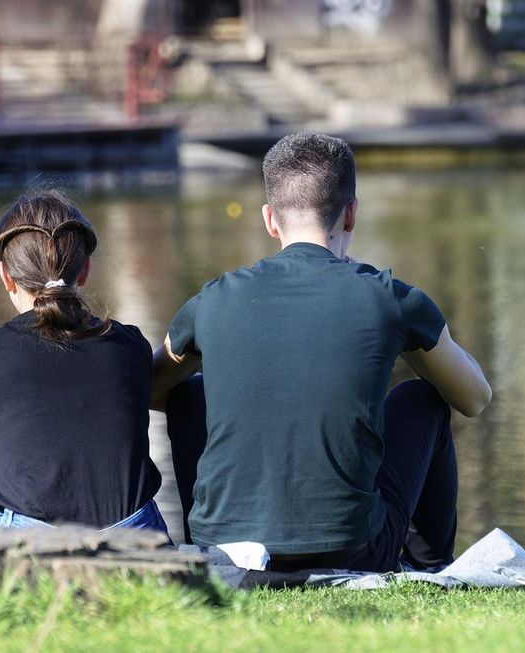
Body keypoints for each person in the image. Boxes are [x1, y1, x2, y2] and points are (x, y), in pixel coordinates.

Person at [152, 132, 492, 571]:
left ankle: (212, 540)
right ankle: (428, 567)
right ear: (351, 214)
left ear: (270, 219)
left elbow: (150, 389)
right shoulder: (389, 297)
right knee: (423, 397)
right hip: (352, 550)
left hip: (228, 554)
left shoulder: (212, 300)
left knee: (187, 392)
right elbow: (474, 398)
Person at [0, 190, 167, 533]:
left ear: (6, 275)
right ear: (85, 270)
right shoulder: (131, 344)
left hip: (31, 537)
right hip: (133, 531)